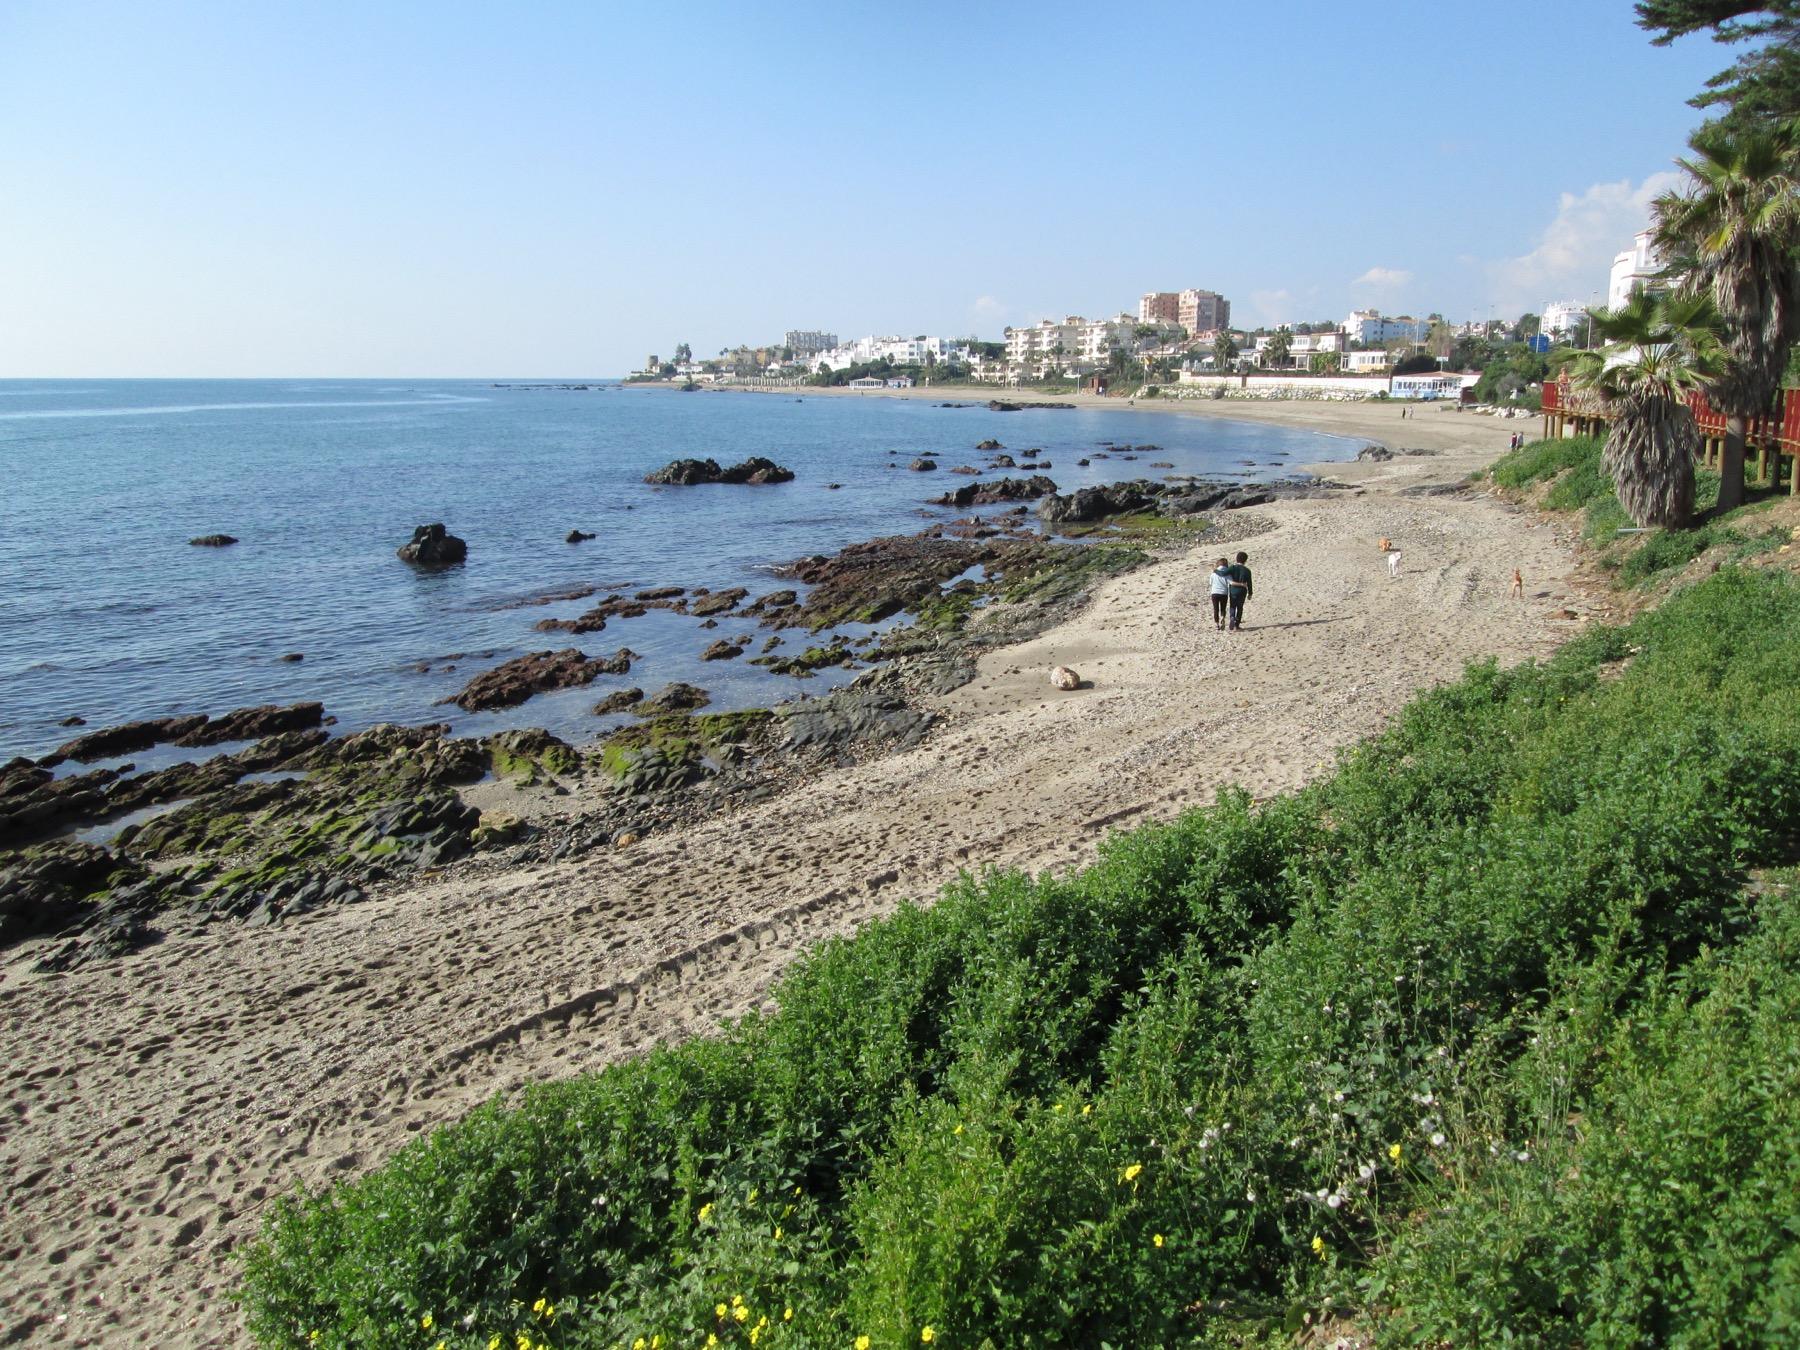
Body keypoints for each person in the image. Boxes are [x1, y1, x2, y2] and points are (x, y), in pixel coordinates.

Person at [1225, 550, 1253, 631]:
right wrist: (1250, 593)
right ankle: (1237, 624)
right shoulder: (1247, 571)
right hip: (1242, 591)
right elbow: (1249, 583)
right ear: (1245, 560)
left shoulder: (1232, 568)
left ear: (1236, 559)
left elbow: (1225, 574)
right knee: (1240, 607)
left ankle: (1232, 617)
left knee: (1232, 605)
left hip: (1233, 590)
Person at [1207, 557, 1231, 630]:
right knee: (1223, 608)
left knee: (1215, 609)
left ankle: (1217, 624)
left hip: (1215, 593)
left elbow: (1210, 583)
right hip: (1224, 593)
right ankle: (1223, 617)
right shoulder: (1227, 573)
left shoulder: (1214, 573)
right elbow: (1230, 583)